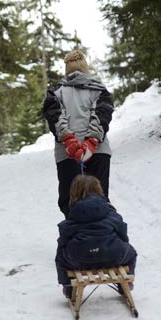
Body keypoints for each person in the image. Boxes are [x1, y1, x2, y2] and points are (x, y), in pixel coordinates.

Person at [42, 49, 114, 218]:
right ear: (85, 69)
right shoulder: (100, 91)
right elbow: (102, 114)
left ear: (67, 71)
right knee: (99, 199)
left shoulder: (56, 93)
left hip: (67, 154)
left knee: (70, 201)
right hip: (98, 152)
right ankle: (101, 238)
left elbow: (55, 117)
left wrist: (69, 140)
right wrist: (91, 142)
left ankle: (76, 239)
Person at [55, 175, 136, 298]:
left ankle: (68, 285)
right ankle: (126, 282)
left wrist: (64, 245)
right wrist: (122, 243)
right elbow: (122, 231)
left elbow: (64, 236)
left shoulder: (74, 214)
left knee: (60, 256)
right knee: (131, 253)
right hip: (113, 255)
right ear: (99, 190)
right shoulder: (109, 211)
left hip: (79, 259)